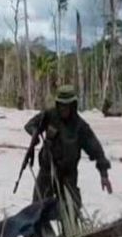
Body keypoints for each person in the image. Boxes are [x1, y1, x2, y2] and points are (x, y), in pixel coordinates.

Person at [23, 85, 112, 213]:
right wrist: (35, 134)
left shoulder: (80, 126)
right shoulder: (49, 115)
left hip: (68, 175)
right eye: (61, 105)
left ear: (73, 106)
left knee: (71, 211)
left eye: (66, 106)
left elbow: (96, 150)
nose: (63, 109)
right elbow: (30, 125)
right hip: (47, 172)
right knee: (37, 211)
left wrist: (104, 175)